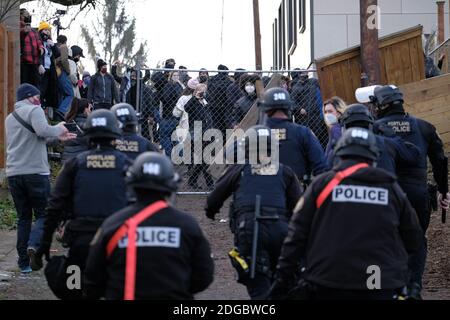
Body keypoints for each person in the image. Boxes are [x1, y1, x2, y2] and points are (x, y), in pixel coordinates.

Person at [271, 127, 423, 300]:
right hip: (379, 281)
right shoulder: (390, 187)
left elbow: (296, 235)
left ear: (339, 155)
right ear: (373, 157)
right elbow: (413, 238)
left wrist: (281, 281)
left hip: (328, 280)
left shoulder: (322, 184)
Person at [83, 152, 214, 300]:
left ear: (132, 184)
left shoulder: (113, 224)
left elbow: (92, 278)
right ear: (171, 186)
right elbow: (204, 276)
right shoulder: (188, 225)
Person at [31, 109, 132, 300]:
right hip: (119, 242)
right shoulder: (127, 165)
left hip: (81, 243)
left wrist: (44, 243)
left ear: (89, 136)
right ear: (115, 135)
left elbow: (54, 206)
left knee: (75, 291)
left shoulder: (75, 164)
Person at [206, 125, 302, 300]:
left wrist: (210, 211)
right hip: (280, 230)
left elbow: (214, 198)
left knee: (258, 285)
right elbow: (299, 206)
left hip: (249, 231)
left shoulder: (240, 169)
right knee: (280, 280)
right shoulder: (285, 171)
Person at [373, 85, 449, 299]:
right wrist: (443, 191)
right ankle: (413, 289)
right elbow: (440, 161)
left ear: (380, 106)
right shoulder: (424, 127)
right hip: (417, 195)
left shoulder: (374, 128)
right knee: (416, 241)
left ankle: (381, 289)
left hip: (386, 194)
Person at [5, 83, 75, 274]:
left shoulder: (10, 118)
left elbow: (36, 137)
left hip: (14, 174)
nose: (39, 99)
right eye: (37, 96)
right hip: (35, 172)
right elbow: (44, 131)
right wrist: (59, 128)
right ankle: (34, 247)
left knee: (23, 218)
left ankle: (23, 263)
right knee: (45, 214)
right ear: (30, 96)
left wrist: (58, 138)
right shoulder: (35, 110)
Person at [259, 88, 328, 184]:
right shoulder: (303, 132)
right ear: (288, 108)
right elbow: (322, 168)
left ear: (265, 109)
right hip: (297, 193)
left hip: (265, 193)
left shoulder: (255, 136)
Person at [334, 104, 420, 173]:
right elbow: (413, 155)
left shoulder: (336, 148)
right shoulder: (386, 142)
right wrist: (393, 136)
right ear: (371, 125)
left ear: (344, 128)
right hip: (384, 190)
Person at [184, 83, 215, 189]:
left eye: (204, 90)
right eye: (200, 91)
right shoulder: (193, 102)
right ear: (196, 91)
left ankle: (192, 181)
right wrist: (195, 98)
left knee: (202, 159)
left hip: (207, 132)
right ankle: (210, 183)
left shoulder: (206, 101)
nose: (203, 93)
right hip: (197, 132)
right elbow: (186, 108)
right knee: (204, 158)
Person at [290, 72, 327, 148]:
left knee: (318, 137)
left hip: (315, 116)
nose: (303, 77)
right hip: (305, 118)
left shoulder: (313, 83)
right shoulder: (296, 87)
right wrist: (299, 109)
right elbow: (292, 103)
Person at [159, 71, 183, 156]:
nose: (176, 77)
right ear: (171, 76)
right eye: (174, 75)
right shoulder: (176, 86)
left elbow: (165, 98)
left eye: (177, 75)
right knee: (174, 137)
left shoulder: (175, 86)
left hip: (170, 115)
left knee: (165, 136)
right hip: (171, 114)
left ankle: (170, 155)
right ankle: (180, 155)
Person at [61, 97, 92, 162]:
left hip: (67, 160)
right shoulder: (88, 124)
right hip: (82, 160)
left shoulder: (69, 122)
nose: (91, 110)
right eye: (90, 108)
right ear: (86, 109)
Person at [37, 21, 59, 110]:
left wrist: (53, 46)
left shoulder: (49, 42)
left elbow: (57, 54)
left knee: (49, 90)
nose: (47, 32)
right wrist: (39, 64)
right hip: (42, 69)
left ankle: (47, 108)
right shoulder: (39, 41)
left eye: (48, 30)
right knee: (41, 89)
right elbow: (37, 54)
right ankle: (39, 106)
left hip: (50, 69)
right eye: (45, 30)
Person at [206, 65, 233, 136]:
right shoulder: (228, 81)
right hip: (224, 105)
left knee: (215, 123)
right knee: (224, 124)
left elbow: (208, 91)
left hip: (213, 105)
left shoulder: (212, 80)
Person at [20, 9, 43, 86]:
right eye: (25, 15)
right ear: (21, 16)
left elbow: (39, 41)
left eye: (28, 15)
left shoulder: (33, 31)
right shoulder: (18, 28)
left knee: (34, 86)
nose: (28, 16)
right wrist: (23, 30)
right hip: (24, 63)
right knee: (25, 85)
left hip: (34, 63)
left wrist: (41, 48)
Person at [322, 97, 348, 165]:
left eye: (330, 111)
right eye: (325, 112)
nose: (327, 114)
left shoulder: (336, 128)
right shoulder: (334, 127)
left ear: (339, 113)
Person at [173, 78, 199, 144]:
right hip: (198, 123)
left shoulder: (184, 98)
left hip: (186, 123)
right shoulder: (200, 98)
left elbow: (176, 113)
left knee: (185, 144)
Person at [55, 35, 74, 116]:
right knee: (70, 93)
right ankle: (61, 111)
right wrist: (68, 71)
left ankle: (57, 113)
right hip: (62, 71)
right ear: (65, 41)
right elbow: (64, 60)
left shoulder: (56, 47)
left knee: (60, 93)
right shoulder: (64, 47)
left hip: (56, 72)